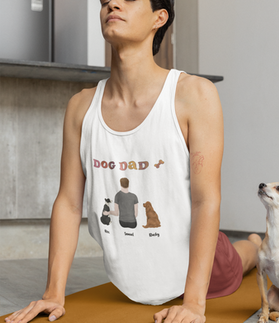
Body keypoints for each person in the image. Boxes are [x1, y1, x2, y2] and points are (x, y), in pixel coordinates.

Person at [5, 1, 262, 323]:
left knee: (239, 259)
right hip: (131, 280)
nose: (112, 3)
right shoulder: (80, 106)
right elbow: (69, 203)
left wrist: (194, 304)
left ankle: (255, 246)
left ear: (160, 17)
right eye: (104, 1)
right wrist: (52, 294)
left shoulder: (195, 94)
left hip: (206, 269)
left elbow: (205, 199)